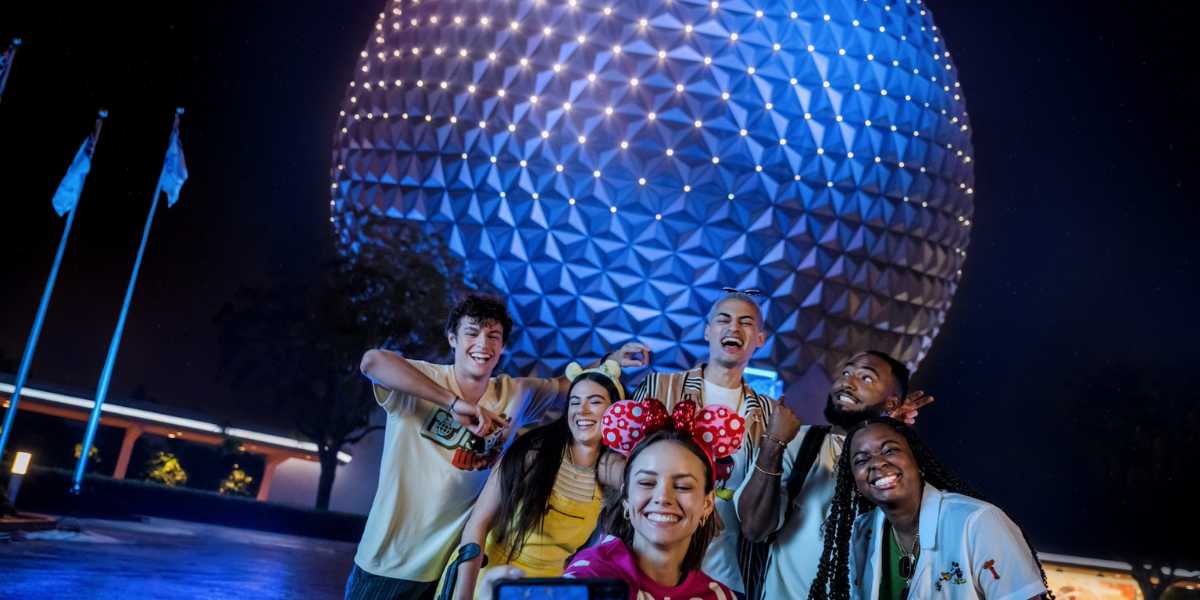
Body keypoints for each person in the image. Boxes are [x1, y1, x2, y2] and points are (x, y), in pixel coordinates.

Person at [345, 294, 650, 600]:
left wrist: (611, 361)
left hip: (449, 565)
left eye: (493, 336)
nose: (483, 344)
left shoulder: (514, 394)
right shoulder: (423, 381)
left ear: (503, 346)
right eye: (472, 333)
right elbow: (372, 362)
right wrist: (453, 403)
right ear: (452, 338)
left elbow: (574, 386)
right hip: (389, 562)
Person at [736, 351, 931, 599]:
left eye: (866, 378)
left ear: (891, 403)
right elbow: (754, 528)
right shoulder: (797, 441)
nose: (847, 382)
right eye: (846, 373)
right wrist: (773, 444)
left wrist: (887, 435)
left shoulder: (899, 464)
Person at [630, 288, 776, 597]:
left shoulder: (768, 414)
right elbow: (619, 462)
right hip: (646, 564)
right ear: (707, 331)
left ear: (760, 339)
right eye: (724, 319)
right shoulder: (660, 386)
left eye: (746, 322)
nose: (734, 328)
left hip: (723, 571)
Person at [808, 417, 1051, 600]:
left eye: (890, 450)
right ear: (855, 481)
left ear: (918, 461)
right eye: (861, 460)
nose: (877, 463)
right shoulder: (862, 531)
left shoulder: (979, 522)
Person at [448, 361, 627, 600]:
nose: (582, 411)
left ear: (615, 410)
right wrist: (464, 595)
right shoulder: (532, 452)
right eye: (574, 402)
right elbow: (478, 524)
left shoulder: (611, 468)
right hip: (488, 579)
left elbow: (646, 482)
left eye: (594, 402)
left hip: (548, 590)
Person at [560, 397, 745, 599]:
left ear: (707, 504)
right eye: (647, 483)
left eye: (683, 486)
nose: (663, 497)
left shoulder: (720, 596)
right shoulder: (594, 579)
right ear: (626, 497)